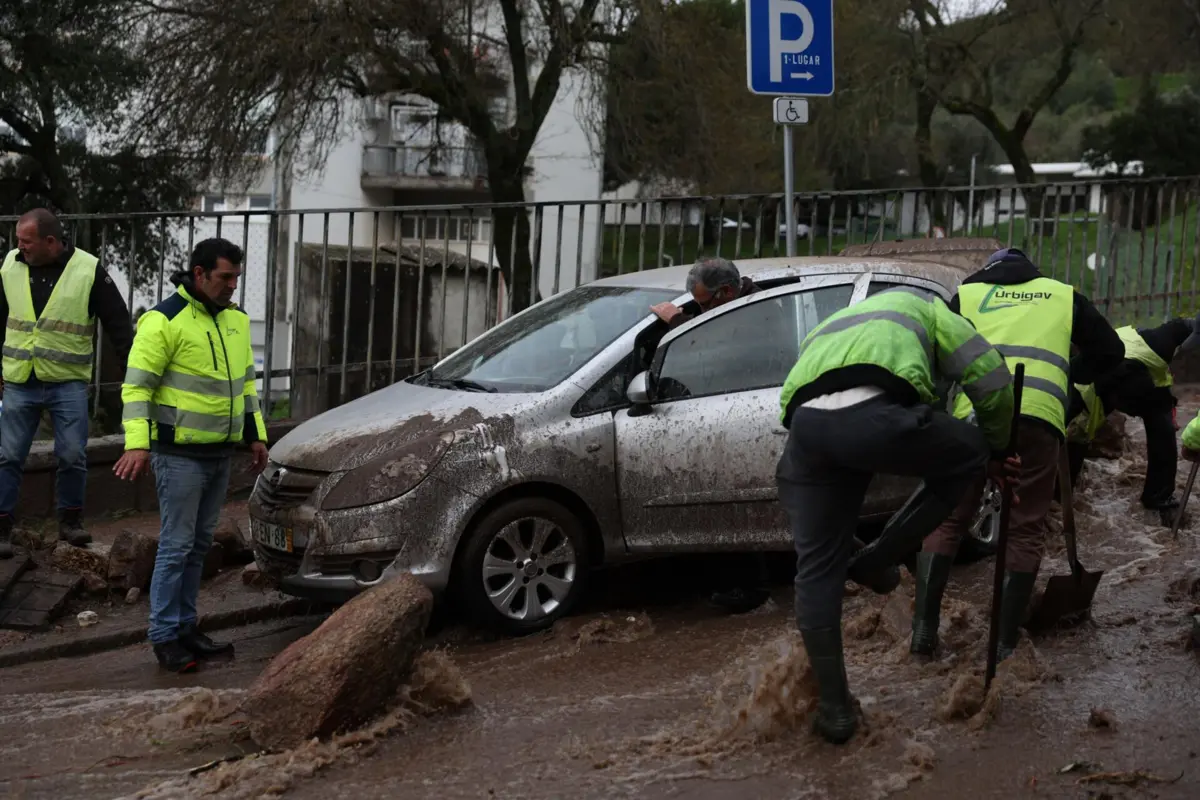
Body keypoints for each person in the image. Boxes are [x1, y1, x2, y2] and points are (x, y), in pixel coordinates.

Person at [776, 285, 1018, 744]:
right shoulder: (930, 310)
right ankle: (877, 558)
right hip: (874, 417)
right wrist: (999, 449)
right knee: (969, 453)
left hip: (807, 433)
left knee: (816, 570)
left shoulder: (834, 325)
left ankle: (835, 712)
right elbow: (990, 380)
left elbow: (796, 395)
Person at [913, 248, 1123, 663]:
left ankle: (923, 633)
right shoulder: (1062, 296)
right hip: (1040, 417)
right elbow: (1111, 353)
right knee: (1025, 528)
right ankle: (1006, 646)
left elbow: (938, 357)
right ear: (1033, 270)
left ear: (988, 268)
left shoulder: (968, 295)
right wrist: (1064, 377)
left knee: (950, 518)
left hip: (974, 417)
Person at [113, 238, 269, 673]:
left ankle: (185, 627)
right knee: (177, 546)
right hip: (177, 453)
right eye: (225, 277)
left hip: (219, 452)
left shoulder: (236, 321)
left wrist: (255, 435)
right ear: (199, 274)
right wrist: (137, 443)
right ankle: (165, 635)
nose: (233, 286)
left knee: (198, 545)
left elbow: (246, 386)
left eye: (237, 277)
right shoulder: (163, 321)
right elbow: (137, 387)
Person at [0, 209, 133, 559]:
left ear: (50, 241)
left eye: (25, 241)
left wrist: (133, 375)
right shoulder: (11, 265)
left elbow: (118, 322)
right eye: (18, 240)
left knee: (73, 455)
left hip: (67, 383)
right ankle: (1, 527)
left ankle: (70, 522)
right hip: (19, 379)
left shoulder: (88, 270)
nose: (19, 247)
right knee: (8, 456)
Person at [649, 256, 773, 613]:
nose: (702, 311)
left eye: (705, 304)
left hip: (751, 417)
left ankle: (755, 590)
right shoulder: (735, 304)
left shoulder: (756, 311)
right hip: (725, 413)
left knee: (741, 502)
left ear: (728, 292)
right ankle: (736, 584)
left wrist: (678, 322)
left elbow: (719, 346)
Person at [1065, 316, 1200, 524]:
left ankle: (1159, 499)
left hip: (1109, 375)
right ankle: (1158, 499)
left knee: (1160, 413)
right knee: (1072, 448)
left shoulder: (1151, 344)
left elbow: (1162, 388)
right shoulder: (1089, 402)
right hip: (1091, 391)